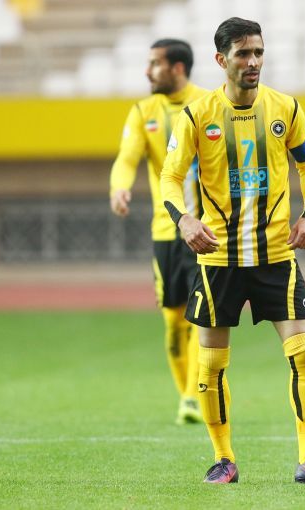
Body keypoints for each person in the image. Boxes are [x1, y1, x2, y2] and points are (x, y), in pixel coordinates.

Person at [160, 17, 305, 484]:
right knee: (211, 366)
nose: (253, 62)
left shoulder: (285, 107)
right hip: (219, 259)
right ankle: (223, 459)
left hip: (276, 257)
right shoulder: (197, 115)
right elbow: (170, 176)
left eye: (259, 53)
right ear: (221, 60)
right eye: (243, 54)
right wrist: (183, 219)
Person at [110, 38, 208, 425]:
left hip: (206, 233)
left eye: (154, 64)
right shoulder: (143, 112)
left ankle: (194, 396)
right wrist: (119, 187)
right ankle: (187, 398)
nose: (147, 71)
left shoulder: (208, 104)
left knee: (203, 317)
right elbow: (126, 158)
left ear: (177, 68)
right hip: (166, 232)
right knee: (173, 321)